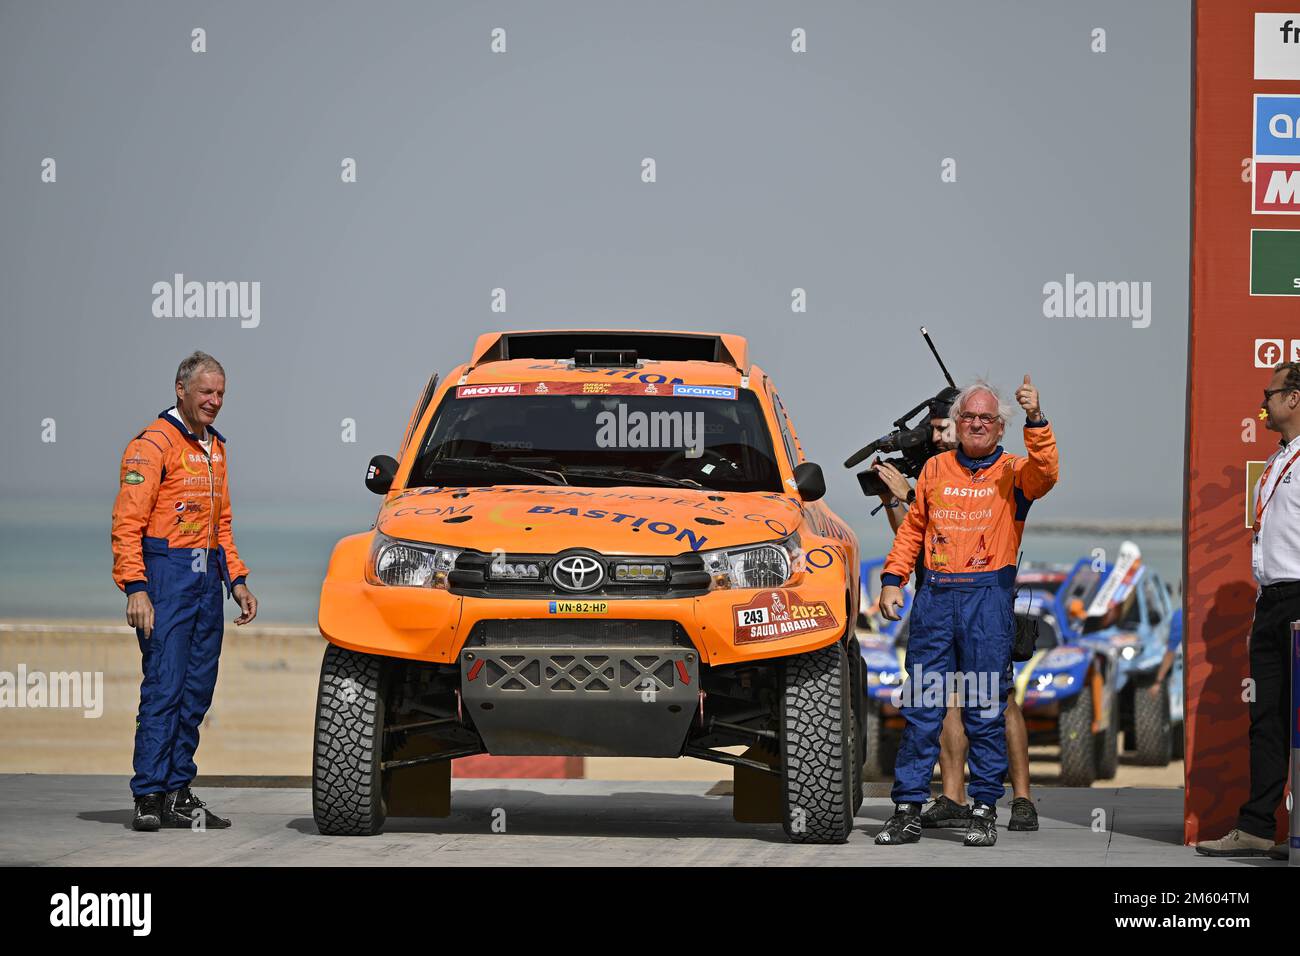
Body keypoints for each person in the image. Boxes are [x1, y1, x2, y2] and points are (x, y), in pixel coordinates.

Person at [873, 376, 1058, 847]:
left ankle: (982, 809)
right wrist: (892, 581)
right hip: (935, 598)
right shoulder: (934, 470)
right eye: (969, 417)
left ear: (1000, 428)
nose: (976, 424)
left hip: (987, 599)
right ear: (956, 425)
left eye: (986, 419)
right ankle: (908, 808)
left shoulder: (1016, 471)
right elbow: (913, 530)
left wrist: (1036, 418)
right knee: (922, 708)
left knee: (984, 707)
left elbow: (1047, 473)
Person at [111, 351, 258, 831]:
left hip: (207, 584)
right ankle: (148, 795)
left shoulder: (217, 448)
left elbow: (223, 524)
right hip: (164, 581)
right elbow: (126, 523)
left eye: (221, 394)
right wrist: (135, 587)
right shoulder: (151, 445)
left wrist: (236, 580)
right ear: (181, 390)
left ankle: (178, 792)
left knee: (196, 692)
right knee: (164, 687)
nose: (214, 401)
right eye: (206, 392)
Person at [1196, 361, 1300, 859]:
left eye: (1271, 392)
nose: (1264, 402)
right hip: (1273, 603)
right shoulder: (1280, 459)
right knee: (1267, 720)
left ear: (1294, 398)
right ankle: (1260, 827)